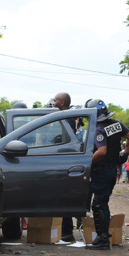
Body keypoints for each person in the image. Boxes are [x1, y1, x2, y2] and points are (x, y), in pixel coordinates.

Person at [85, 99, 129, 250]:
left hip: (102, 170)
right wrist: (124, 153)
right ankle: (103, 237)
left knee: (99, 204)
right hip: (112, 169)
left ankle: (103, 239)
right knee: (102, 203)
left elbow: (101, 151)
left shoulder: (99, 129)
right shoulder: (116, 124)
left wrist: (87, 163)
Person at [52, 92, 77, 242]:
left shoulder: (66, 117)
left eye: (55, 100)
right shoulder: (67, 117)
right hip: (65, 160)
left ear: (62, 103)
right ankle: (64, 231)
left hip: (65, 161)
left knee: (63, 197)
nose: (53, 103)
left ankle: (67, 232)